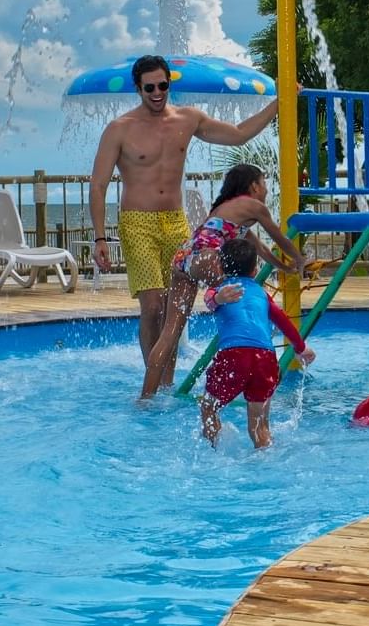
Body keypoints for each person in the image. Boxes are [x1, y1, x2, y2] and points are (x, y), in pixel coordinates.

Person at [89, 53, 286, 388]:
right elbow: (98, 183)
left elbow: (238, 134)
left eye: (162, 85)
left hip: (175, 223)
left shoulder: (187, 119)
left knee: (174, 307)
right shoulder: (120, 129)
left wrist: (278, 104)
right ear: (138, 88)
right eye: (148, 87)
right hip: (137, 223)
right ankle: (153, 378)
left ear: (169, 84)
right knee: (151, 306)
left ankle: (163, 384)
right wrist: (99, 237)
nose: (156, 91)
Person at [137, 163, 305, 400]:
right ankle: (244, 362)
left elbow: (265, 251)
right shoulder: (254, 206)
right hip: (207, 257)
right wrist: (300, 260)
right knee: (241, 303)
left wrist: (286, 267)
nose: (267, 190)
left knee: (170, 332)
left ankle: (146, 398)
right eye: (264, 184)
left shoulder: (228, 211)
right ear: (254, 186)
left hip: (184, 259)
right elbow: (280, 237)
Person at [199, 236, 316, 449]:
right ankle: (265, 456)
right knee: (259, 425)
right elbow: (283, 321)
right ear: (255, 270)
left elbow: (209, 301)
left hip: (234, 356)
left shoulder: (220, 290)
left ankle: (212, 452)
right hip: (267, 359)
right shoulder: (262, 293)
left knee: (208, 406)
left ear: (220, 266)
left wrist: (218, 299)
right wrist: (301, 348)